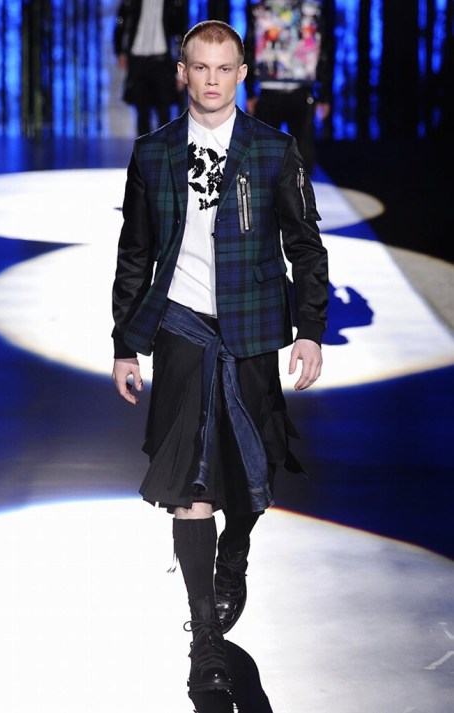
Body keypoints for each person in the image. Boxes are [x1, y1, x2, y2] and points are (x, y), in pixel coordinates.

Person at [112, 20, 328, 697]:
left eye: (223, 67)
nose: (211, 79)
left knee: (255, 473)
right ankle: (204, 638)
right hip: (181, 329)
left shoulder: (273, 150)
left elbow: (306, 246)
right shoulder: (153, 153)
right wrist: (124, 342)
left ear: (241, 74)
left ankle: (235, 548)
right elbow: (135, 251)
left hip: (254, 328)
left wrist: (311, 329)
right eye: (199, 67)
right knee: (191, 485)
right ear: (182, 71)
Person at [245, 0, 334, 174]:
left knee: (302, 158)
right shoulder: (260, 8)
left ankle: (298, 191)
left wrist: (324, 95)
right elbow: (250, 46)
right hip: (269, 89)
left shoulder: (313, 8)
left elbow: (324, 49)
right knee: (266, 157)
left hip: (301, 88)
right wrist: (250, 91)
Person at [113, 0, 186, 136]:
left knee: (164, 111)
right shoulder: (131, 2)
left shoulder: (173, 3)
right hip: (138, 61)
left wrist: (182, 66)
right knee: (142, 112)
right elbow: (121, 23)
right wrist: (120, 51)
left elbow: (180, 32)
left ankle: (164, 148)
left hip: (162, 62)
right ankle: (144, 148)